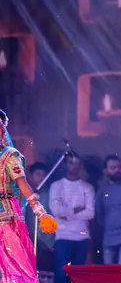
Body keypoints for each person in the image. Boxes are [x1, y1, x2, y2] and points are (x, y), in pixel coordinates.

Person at [0, 110, 58, 282]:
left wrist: (40, 212)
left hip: (5, 218)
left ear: (3, 129)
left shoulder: (9, 156)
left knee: (13, 267)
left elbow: (22, 185)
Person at [50, 152, 95, 283]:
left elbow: (90, 213)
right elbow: (56, 210)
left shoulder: (87, 187)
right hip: (62, 236)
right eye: (70, 162)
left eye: (76, 163)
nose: (74, 166)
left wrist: (67, 212)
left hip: (82, 236)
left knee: (79, 275)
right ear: (65, 164)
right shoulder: (56, 186)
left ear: (81, 165)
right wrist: (77, 209)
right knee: (61, 273)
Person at [24, 162, 55, 272]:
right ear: (31, 176)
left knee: (45, 269)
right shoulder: (26, 194)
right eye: (38, 174)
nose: (41, 178)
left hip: (46, 240)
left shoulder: (50, 194)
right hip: (29, 237)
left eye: (43, 175)